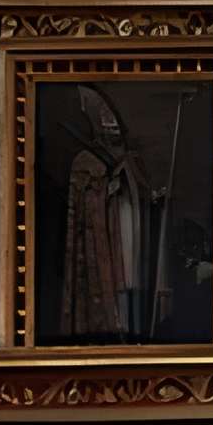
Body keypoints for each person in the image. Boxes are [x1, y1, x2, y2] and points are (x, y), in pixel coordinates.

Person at [58, 85, 160, 341]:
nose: (111, 126)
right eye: (104, 121)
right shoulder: (85, 160)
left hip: (127, 231)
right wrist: (105, 189)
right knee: (111, 287)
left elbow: (142, 190)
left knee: (129, 287)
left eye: (114, 121)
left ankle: (132, 333)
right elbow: (83, 201)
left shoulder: (130, 158)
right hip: (100, 239)